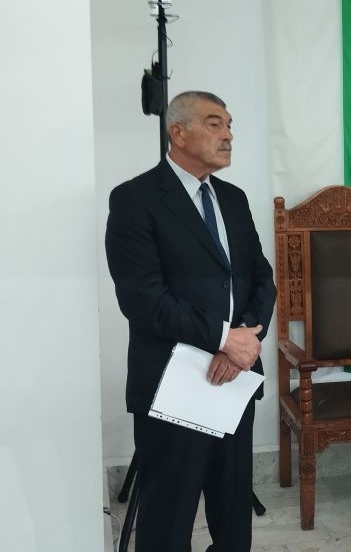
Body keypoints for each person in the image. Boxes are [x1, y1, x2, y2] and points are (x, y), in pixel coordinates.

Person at [106, 91, 276, 552]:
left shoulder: (233, 199)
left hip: (234, 380)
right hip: (172, 384)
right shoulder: (135, 199)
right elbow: (142, 298)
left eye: (229, 124)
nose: (228, 135)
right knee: (168, 519)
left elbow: (261, 277)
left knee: (233, 514)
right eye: (214, 123)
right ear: (177, 133)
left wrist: (243, 342)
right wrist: (223, 338)